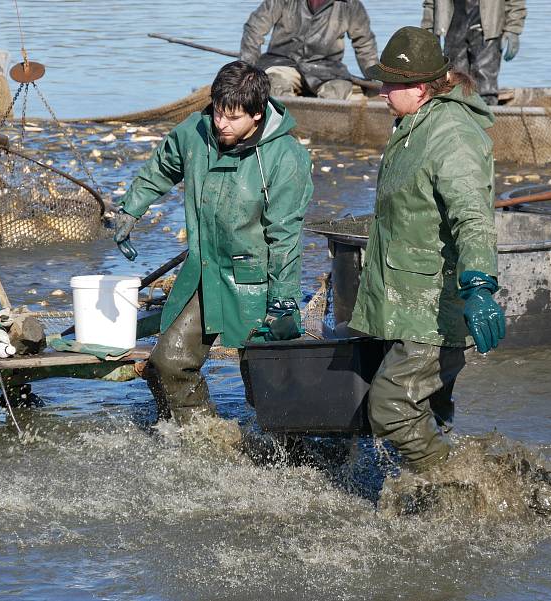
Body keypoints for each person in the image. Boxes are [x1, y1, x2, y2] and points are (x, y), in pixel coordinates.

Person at [112, 61, 313, 424]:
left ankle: (288, 453)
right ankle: (204, 440)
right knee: (167, 363)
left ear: (256, 115)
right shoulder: (197, 131)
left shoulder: (286, 158)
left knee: (267, 387)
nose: (221, 123)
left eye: (232, 118)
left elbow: (285, 236)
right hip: (206, 272)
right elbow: (163, 165)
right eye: (218, 111)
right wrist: (131, 209)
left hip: (258, 282)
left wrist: (283, 301)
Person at [349, 26, 505, 475]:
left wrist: (479, 283)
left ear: (418, 88)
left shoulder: (451, 136)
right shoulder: (414, 123)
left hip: (433, 304)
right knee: (429, 407)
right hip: (404, 293)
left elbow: (473, 218)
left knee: (391, 405)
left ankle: (450, 488)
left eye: (389, 83)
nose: (380, 91)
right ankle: (449, 489)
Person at [239, 0, 378, 100]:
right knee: (274, 84)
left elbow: (365, 46)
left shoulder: (351, 5)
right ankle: (285, 129)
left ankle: (322, 130)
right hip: (282, 64)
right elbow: (254, 29)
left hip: (327, 70)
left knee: (338, 91)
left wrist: (378, 79)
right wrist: (246, 71)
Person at [421, 0, 526, 105]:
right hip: (452, 27)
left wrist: (513, 30)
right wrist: (429, 28)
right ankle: (456, 116)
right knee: (454, 84)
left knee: (486, 88)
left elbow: (515, 1)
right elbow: (431, 2)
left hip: (488, 29)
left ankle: (486, 114)